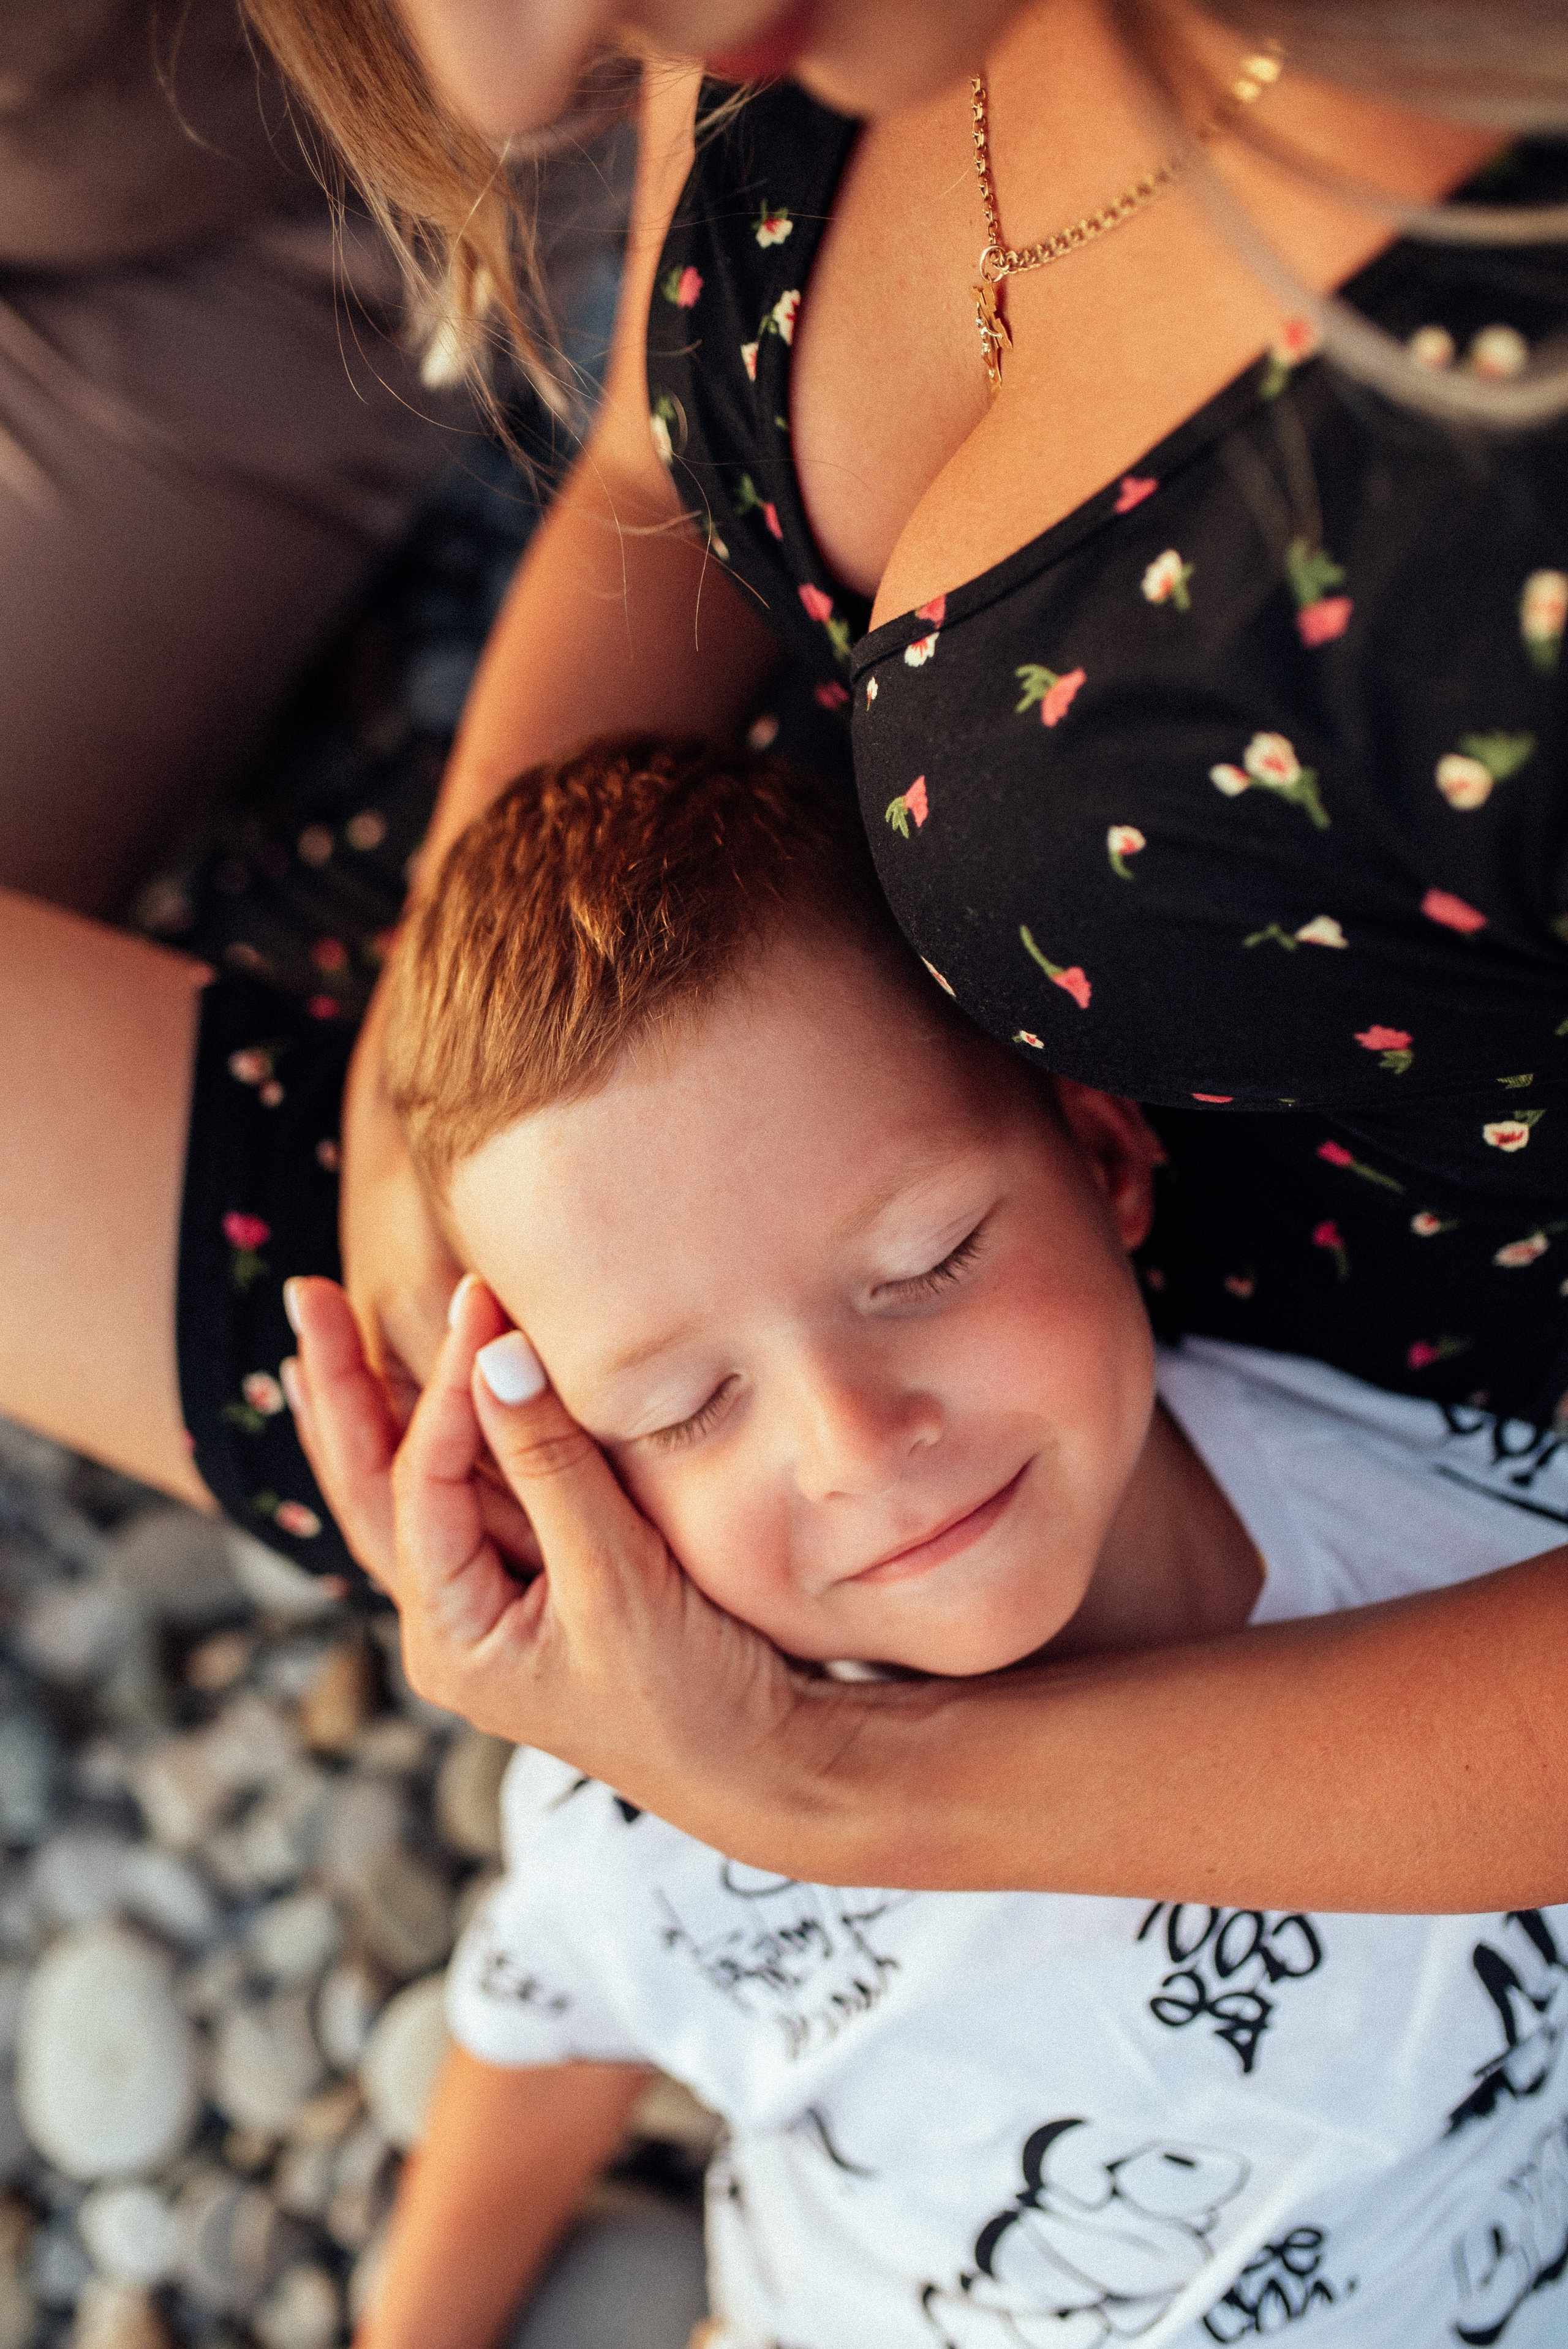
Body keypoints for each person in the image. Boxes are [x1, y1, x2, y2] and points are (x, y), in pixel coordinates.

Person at [5, 0, 1567, 1908]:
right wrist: (438, 1050)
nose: (515, 77)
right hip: (657, 1024)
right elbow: (651, 470)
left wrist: (827, 1782)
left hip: (1175, 1436)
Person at [339, 734, 1568, 2349]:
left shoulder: (1475, 1516)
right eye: (688, 1401)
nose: (856, 1445)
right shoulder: (657, 1785)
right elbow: (554, 2022)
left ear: (1109, 1151)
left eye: (927, 1261)